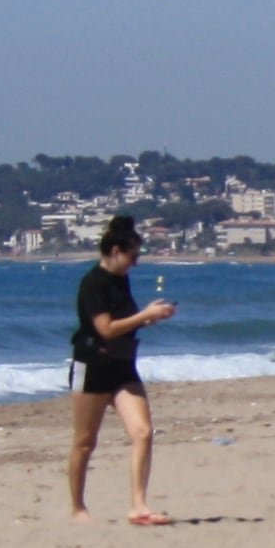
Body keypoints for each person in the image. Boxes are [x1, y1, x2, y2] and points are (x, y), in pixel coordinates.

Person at [65, 216, 175, 525]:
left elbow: (126, 320)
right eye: (133, 256)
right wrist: (144, 315)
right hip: (93, 365)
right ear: (115, 251)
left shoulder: (121, 280)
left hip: (122, 366)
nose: (135, 263)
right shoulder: (93, 283)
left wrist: (151, 316)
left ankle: (138, 504)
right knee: (85, 441)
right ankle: (78, 508)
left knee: (142, 432)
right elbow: (107, 328)